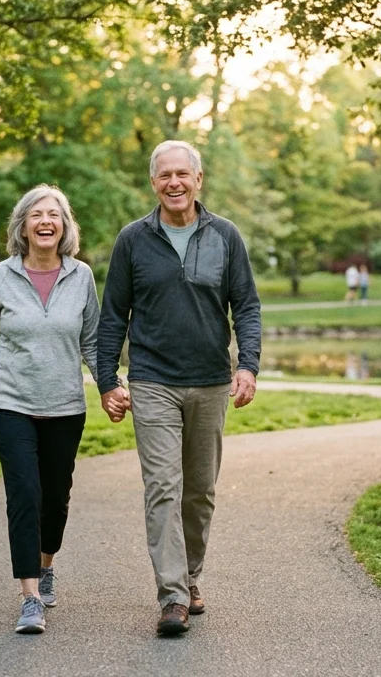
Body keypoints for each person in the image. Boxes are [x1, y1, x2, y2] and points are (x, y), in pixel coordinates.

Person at [97, 140, 261, 637]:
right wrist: (108, 379)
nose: (173, 183)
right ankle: (171, 596)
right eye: (164, 175)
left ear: (198, 179)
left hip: (211, 381)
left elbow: (247, 307)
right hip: (151, 381)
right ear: (153, 183)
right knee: (163, 488)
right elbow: (112, 317)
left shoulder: (226, 237)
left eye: (181, 174)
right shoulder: (132, 239)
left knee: (200, 492)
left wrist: (247, 366)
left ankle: (190, 578)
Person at [0, 184, 100, 636]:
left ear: (65, 226)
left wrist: (111, 386)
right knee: (25, 497)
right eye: (36, 214)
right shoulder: (0, 277)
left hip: (65, 407)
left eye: (54, 214)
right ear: (23, 226)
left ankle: (46, 564)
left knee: (55, 499)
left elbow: (92, 342)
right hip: (10, 404)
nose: (46, 221)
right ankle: (30, 595)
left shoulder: (82, 277)